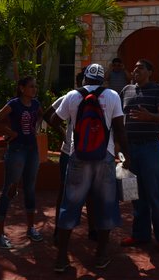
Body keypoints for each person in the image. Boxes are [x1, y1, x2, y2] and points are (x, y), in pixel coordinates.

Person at [47, 63, 129, 273]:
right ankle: (101, 256)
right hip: (105, 156)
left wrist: (68, 137)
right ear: (102, 79)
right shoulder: (112, 95)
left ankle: (61, 258)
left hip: (77, 156)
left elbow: (53, 119)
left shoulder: (72, 96)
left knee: (70, 204)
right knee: (105, 205)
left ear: (85, 78)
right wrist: (127, 156)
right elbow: (119, 129)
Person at [120, 59, 159, 251]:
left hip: (150, 148)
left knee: (154, 193)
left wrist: (149, 117)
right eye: (134, 68)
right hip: (130, 149)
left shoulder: (158, 89)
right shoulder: (126, 90)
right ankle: (140, 235)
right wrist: (121, 149)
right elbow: (120, 119)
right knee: (134, 194)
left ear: (150, 72)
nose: (135, 70)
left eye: (140, 68)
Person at [0, 75, 43, 249]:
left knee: (30, 189)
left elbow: (40, 116)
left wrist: (36, 129)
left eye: (35, 87)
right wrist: (10, 132)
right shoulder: (14, 104)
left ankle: (31, 228)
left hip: (32, 150)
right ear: (22, 88)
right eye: (31, 87)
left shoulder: (36, 104)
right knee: (9, 189)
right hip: (17, 150)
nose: (34, 89)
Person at [43, 95, 97, 246]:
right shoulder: (71, 97)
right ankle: (61, 231)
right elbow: (49, 116)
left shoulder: (77, 97)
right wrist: (62, 133)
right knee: (67, 191)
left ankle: (91, 229)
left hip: (84, 151)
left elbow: (49, 116)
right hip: (73, 152)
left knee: (84, 191)